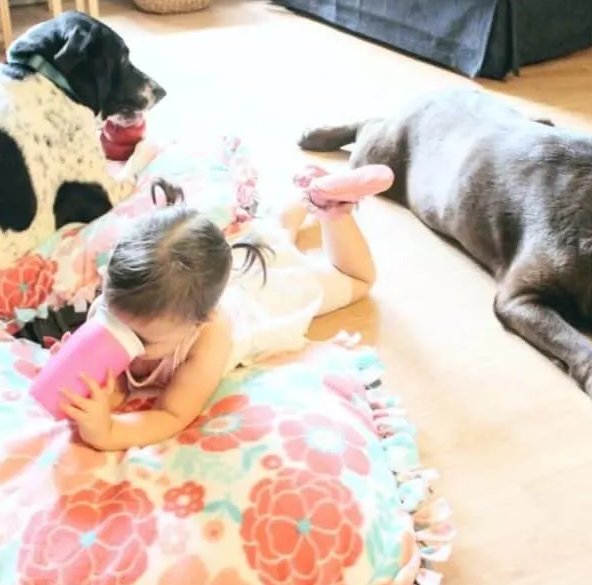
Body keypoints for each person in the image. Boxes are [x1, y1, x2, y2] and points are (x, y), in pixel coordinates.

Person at [55, 162, 394, 451]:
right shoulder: (119, 304)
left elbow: (172, 415)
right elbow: (120, 383)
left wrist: (108, 431)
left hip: (263, 296)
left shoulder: (210, 339)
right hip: (212, 278)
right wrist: (93, 387)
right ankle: (309, 195)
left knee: (356, 280)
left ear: (198, 324)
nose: (121, 338)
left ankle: (330, 208)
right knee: (270, 233)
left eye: (143, 342)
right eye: (111, 318)